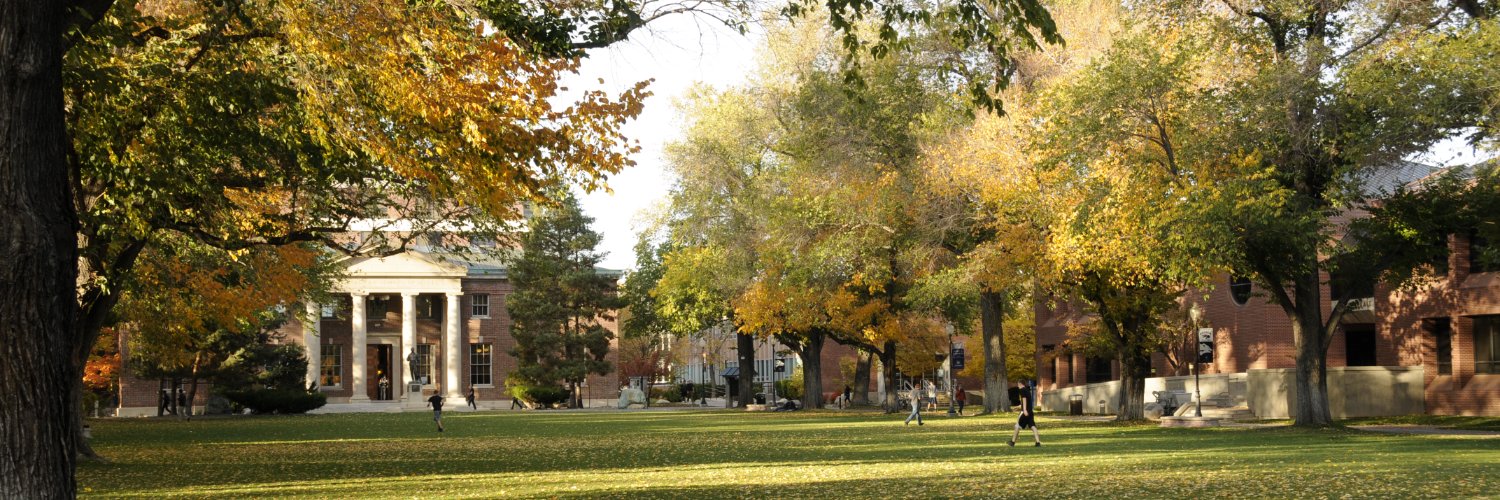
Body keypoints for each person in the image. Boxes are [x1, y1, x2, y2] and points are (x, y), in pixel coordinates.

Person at [1009, 381, 1040, 447]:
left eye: (1018, 384)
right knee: (1032, 426)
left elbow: (1024, 399)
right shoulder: (1027, 390)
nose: (1017, 385)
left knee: (1017, 425)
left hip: (1025, 412)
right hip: (1030, 412)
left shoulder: (1022, 390)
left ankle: (1012, 442)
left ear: (1020, 383)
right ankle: (1038, 442)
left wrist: (1024, 410)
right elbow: (1026, 401)